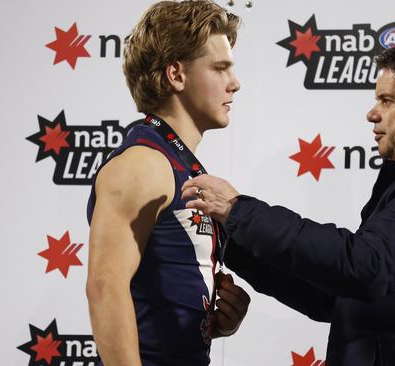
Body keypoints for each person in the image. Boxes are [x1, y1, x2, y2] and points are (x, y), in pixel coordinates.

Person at [181, 32, 395, 366]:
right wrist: (233, 242)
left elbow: (365, 267)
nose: (372, 113)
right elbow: (339, 297)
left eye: (387, 100)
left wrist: (240, 212)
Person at [85, 1, 250, 365]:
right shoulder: (143, 163)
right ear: (176, 74)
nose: (235, 83)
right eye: (220, 68)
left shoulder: (174, 162)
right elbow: (105, 287)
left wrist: (209, 324)